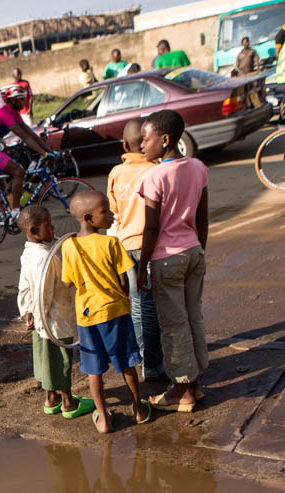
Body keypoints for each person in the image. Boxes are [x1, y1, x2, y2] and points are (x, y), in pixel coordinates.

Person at [61, 191, 151, 433]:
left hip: (87, 316)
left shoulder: (69, 246)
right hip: (115, 312)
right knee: (127, 364)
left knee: (94, 370)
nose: (113, 215)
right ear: (89, 218)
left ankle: (103, 418)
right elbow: (124, 281)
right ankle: (139, 409)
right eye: (107, 211)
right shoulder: (111, 243)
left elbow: (68, 282)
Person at [136, 110, 209, 412]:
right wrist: (199, 250)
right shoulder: (198, 166)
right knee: (193, 318)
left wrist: (142, 267)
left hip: (167, 258)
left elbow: (151, 228)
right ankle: (194, 383)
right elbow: (202, 217)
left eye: (146, 139)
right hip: (193, 252)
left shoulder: (154, 177)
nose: (142, 145)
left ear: (164, 140)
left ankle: (182, 390)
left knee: (174, 324)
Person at [17, 206, 93, 419]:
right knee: (61, 360)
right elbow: (45, 293)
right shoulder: (45, 257)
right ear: (34, 231)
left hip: (41, 319)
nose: (53, 228)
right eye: (48, 225)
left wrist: (27, 311)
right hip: (54, 320)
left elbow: (24, 286)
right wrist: (39, 316)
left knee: (45, 359)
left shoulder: (29, 252)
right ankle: (68, 402)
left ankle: (51, 399)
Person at [107, 119, 164, 381]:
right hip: (145, 245)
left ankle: (145, 356)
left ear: (123, 145)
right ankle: (150, 363)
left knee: (137, 305)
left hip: (123, 244)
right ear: (143, 142)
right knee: (146, 306)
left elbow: (114, 211)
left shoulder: (116, 172)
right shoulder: (154, 169)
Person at [0, 83, 55, 230]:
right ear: (12, 100)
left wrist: (51, 150)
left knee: (18, 173)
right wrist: (44, 153)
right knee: (18, 171)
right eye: (21, 99)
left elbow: (31, 134)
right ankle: (16, 212)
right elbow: (25, 138)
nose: (24, 102)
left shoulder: (14, 113)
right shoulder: (4, 113)